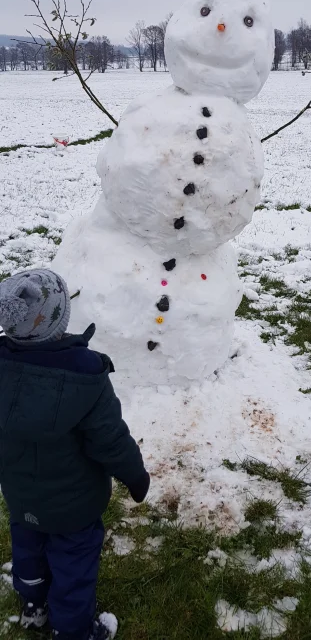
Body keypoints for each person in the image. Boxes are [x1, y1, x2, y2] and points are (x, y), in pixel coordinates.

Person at [0, 268, 150, 640]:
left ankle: (33, 605)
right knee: (73, 567)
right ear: (60, 321)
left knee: (29, 549)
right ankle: (73, 630)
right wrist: (135, 475)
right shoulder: (86, 377)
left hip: (21, 498)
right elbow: (110, 439)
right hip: (75, 507)